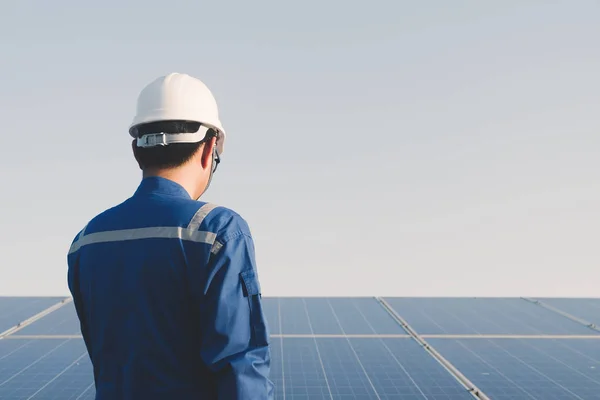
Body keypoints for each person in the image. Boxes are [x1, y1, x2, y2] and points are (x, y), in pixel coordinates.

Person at [67, 72, 274, 399]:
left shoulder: (86, 240)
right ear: (209, 150)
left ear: (137, 150)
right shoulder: (218, 231)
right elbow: (241, 368)